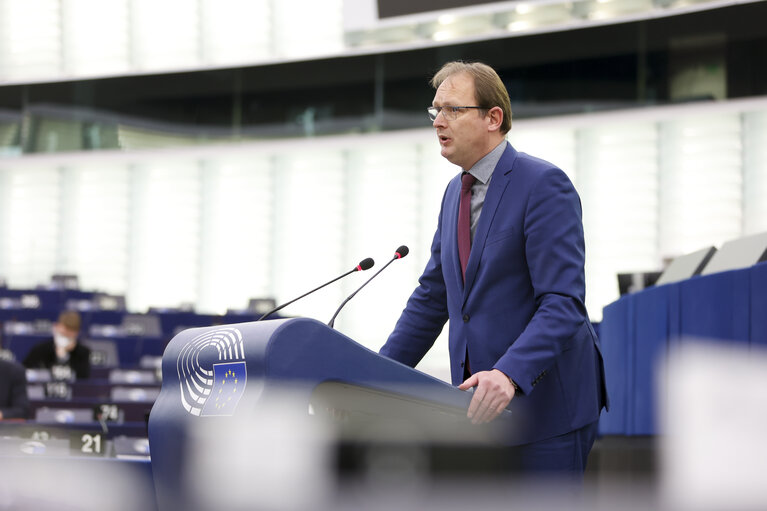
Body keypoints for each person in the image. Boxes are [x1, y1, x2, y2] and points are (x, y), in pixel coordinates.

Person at [380, 61, 608, 475]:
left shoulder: (542, 184)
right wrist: (370, 379)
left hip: (546, 411)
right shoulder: (454, 193)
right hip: (478, 416)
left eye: (452, 109)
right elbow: (433, 299)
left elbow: (562, 302)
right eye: (435, 111)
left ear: (493, 118)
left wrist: (509, 373)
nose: (438, 122)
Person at [23, 310, 91, 380]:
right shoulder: (40, 349)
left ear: (76, 334)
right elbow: (25, 370)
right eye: (63, 335)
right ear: (56, 327)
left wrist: (65, 357)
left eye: (69, 337)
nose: (65, 339)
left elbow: (83, 380)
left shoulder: (82, 353)